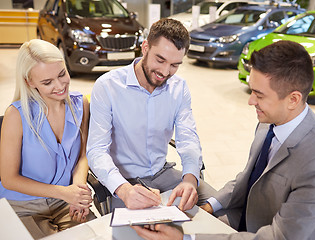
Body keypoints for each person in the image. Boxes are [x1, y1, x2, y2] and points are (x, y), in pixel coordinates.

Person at [132, 40, 315, 239]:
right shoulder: (269, 121)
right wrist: (209, 206)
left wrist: (186, 238)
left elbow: (279, 236)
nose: (251, 101)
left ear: (293, 99)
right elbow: (249, 177)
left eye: (259, 95)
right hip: (246, 220)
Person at [87, 18, 216, 211]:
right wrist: (123, 190)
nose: (165, 72)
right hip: (125, 182)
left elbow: (188, 138)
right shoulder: (107, 86)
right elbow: (96, 151)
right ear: (145, 47)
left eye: (175, 65)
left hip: (163, 173)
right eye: (160, 60)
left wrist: (189, 178)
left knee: (223, 207)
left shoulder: (179, 88)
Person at [0, 39, 95, 239]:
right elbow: (9, 179)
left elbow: (83, 155)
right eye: (47, 82)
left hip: (65, 202)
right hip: (23, 206)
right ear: (29, 82)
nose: (60, 86)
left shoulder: (81, 104)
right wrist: (64, 193)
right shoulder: (16, 115)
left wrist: (77, 191)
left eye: (62, 74)